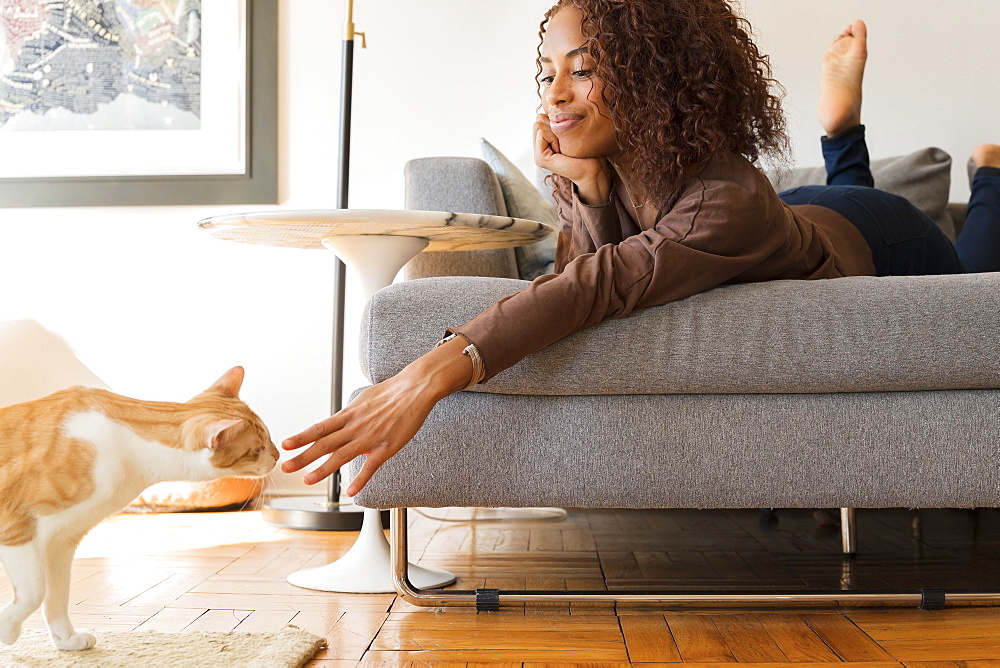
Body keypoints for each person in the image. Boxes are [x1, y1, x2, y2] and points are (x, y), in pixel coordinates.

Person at [281, 1, 1000, 494]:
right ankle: (842, 136)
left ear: (656, 75)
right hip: (796, 215)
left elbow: (597, 287)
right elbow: (588, 269)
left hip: (877, 232)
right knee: (820, 205)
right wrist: (583, 186)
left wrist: (430, 370)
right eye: (549, 71)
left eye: (584, 68)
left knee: (976, 274)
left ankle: (983, 174)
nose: (555, 95)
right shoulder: (623, 169)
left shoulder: (727, 203)